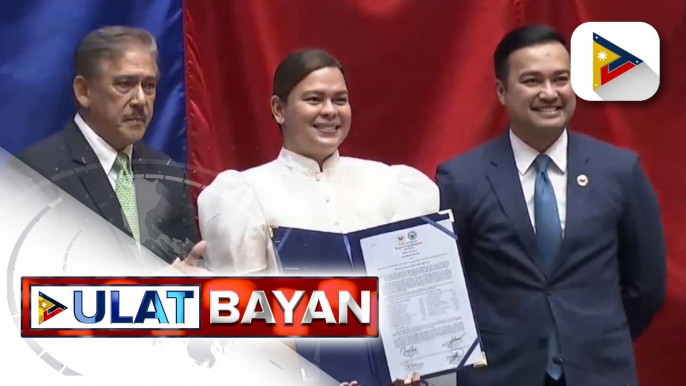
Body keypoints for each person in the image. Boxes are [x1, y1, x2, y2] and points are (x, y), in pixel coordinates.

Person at [435, 24, 666, 386]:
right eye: (531, 81)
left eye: (561, 79)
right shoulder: (461, 178)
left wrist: (593, 333)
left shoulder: (620, 170)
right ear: (501, 91)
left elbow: (647, 285)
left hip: (598, 371)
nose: (549, 93)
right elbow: (448, 288)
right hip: (501, 373)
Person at [198, 49, 438, 386]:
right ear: (279, 110)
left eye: (340, 99)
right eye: (314, 99)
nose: (330, 111)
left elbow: (414, 299)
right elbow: (245, 321)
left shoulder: (393, 184)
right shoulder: (243, 192)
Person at [16, 26, 200, 267]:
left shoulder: (169, 175)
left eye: (149, 86)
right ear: (84, 91)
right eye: (124, 84)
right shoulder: (35, 174)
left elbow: (184, 267)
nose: (140, 100)